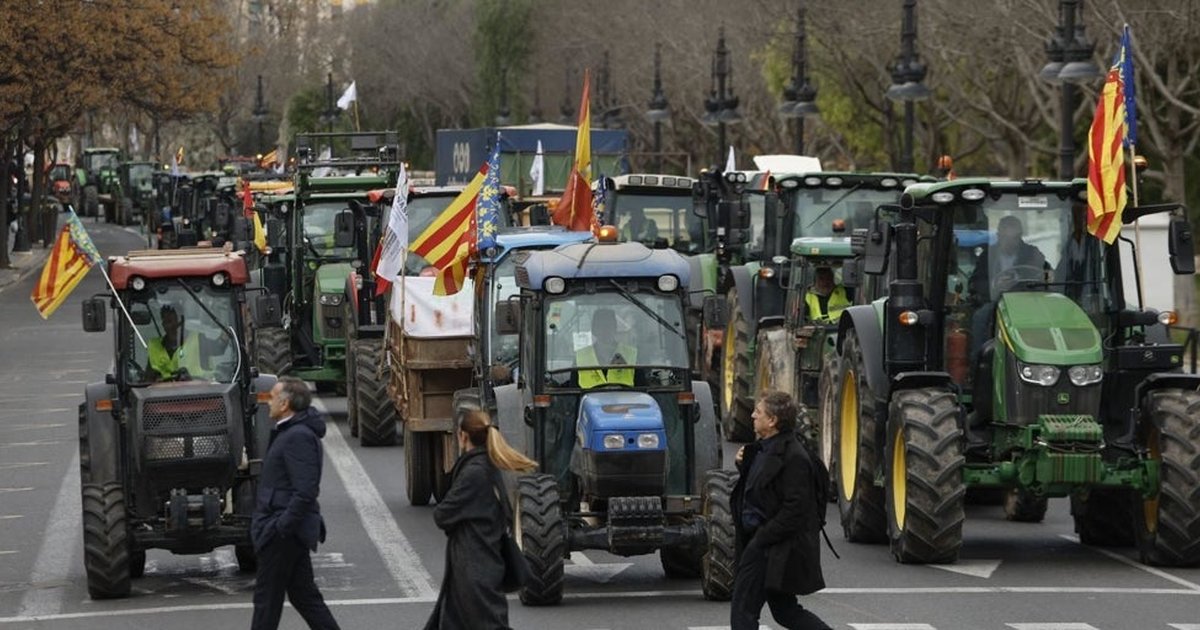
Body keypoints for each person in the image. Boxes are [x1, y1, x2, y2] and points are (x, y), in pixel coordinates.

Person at [425, 409, 536, 630]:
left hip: (475, 569)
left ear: (463, 436)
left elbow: (442, 515)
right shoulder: (487, 466)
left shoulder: (474, 472)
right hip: (477, 565)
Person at [730, 390, 831, 630]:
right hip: (765, 542)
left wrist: (762, 539)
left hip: (772, 546)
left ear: (772, 421)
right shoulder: (764, 448)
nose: (753, 415)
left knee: (743, 611)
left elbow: (795, 509)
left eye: (759, 412)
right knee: (785, 610)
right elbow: (763, 488)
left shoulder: (795, 457)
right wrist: (743, 464)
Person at [250, 377, 340, 630]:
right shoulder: (290, 431)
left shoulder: (297, 436)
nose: (268, 402)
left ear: (285, 404)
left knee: (267, 600)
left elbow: (306, 490)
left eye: (272, 397)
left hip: (284, 532)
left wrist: (282, 526)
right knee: (304, 597)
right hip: (287, 529)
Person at [967, 215, 1048, 362]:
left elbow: (1047, 274)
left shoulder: (1033, 253)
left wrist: (1043, 277)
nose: (1010, 242)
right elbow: (975, 282)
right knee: (980, 317)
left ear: (1020, 237)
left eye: (1014, 238)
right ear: (999, 236)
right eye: (1006, 238)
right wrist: (994, 285)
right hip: (996, 302)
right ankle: (977, 362)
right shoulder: (988, 255)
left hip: (1028, 302)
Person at [575, 308, 637, 388]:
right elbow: (572, 392)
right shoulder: (580, 357)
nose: (605, 330)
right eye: (601, 326)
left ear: (615, 328)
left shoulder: (631, 355)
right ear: (594, 329)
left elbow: (642, 389)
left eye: (609, 325)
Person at [146, 305, 203, 380]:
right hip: (162, 387)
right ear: (163, 324)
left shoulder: (199, 340)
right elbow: (147, 379)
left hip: (198, 386)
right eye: (168, 321)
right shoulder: (155, 346)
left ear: (183, 322)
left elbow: (218, 347)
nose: (174, 326)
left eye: (177, 321)